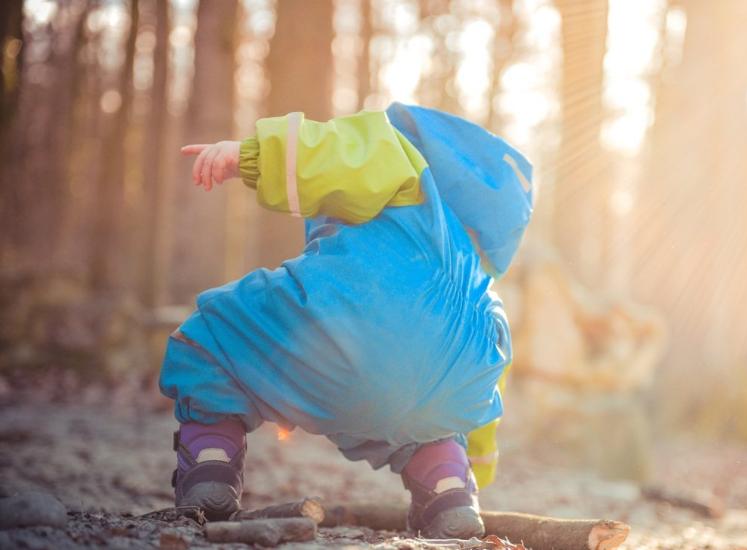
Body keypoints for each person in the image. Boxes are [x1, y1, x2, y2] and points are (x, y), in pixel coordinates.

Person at [160, 103, 534, 538]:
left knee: (214, 338)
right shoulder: (483, 291)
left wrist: (247, 156)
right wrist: (479, 466)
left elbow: (338, 152)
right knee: (432, 422)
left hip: (346, 335)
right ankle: (449, 488)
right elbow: (488, 387)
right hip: (440, 396)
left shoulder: (406, 166)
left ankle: (211, 465)